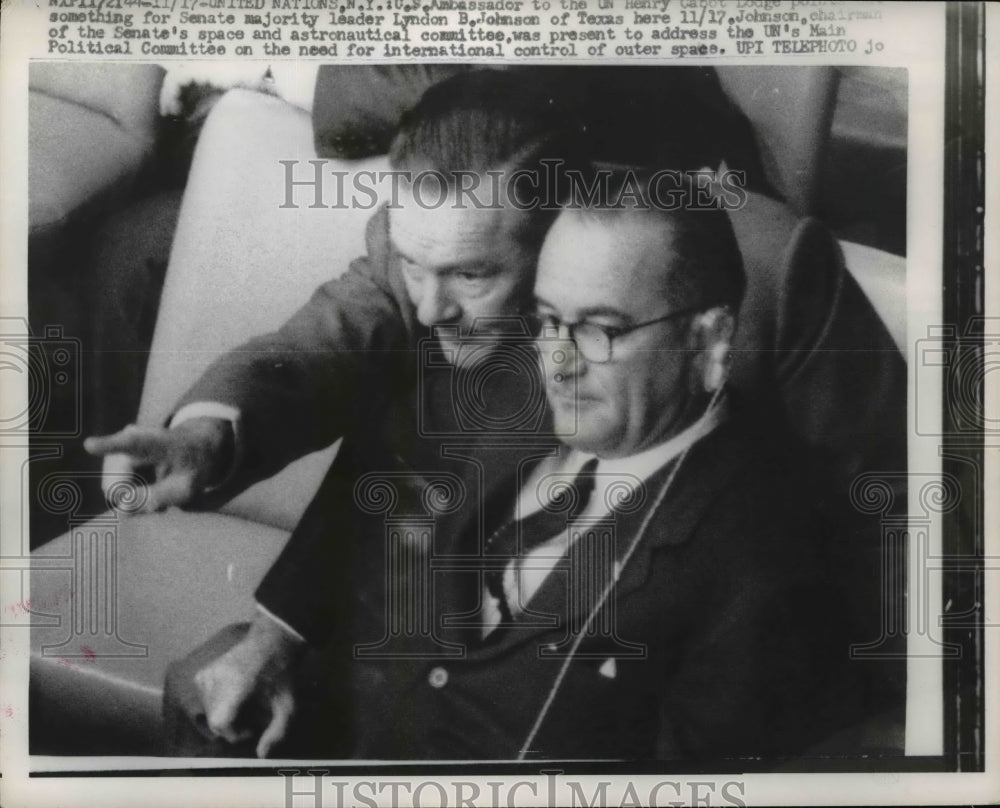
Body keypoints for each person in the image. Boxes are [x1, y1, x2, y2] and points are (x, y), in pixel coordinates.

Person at [83, 69, 905, 757]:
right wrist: (211, 442)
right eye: (416, 270)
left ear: (554, 242)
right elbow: (339, 358)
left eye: (473, 277)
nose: (429, 307)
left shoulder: (769, 275)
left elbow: (897, 501)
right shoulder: (439, 238)